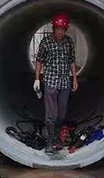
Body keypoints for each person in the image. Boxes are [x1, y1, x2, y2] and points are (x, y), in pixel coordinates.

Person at [33, 13, 78, 154]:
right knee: (51, 114)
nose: (60, 31)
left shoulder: (69, 42)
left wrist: (74, 78)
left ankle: (58, 139)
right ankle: (49, 142)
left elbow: (71, 60)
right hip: (51, 81)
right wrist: (37, 78)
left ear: (65, 30)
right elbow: (39, 60)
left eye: (62, 29)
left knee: (61, 113)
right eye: (57, 28)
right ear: (53, 28)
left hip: (65, 82)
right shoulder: (46, 42)